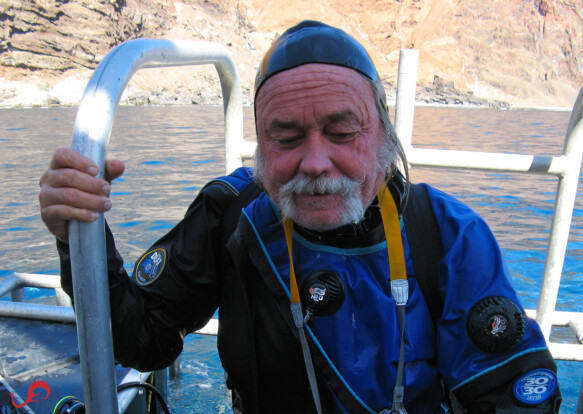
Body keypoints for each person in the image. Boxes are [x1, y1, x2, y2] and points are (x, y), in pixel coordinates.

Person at [39, 20, 561, 413]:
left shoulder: (446, 234)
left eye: (341, 132)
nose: (314, 163)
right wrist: (80, 236)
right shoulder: (233, 214)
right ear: (260, 144)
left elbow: (509, 395)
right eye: (285, 138)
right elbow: (143, 339)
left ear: (382, 134)